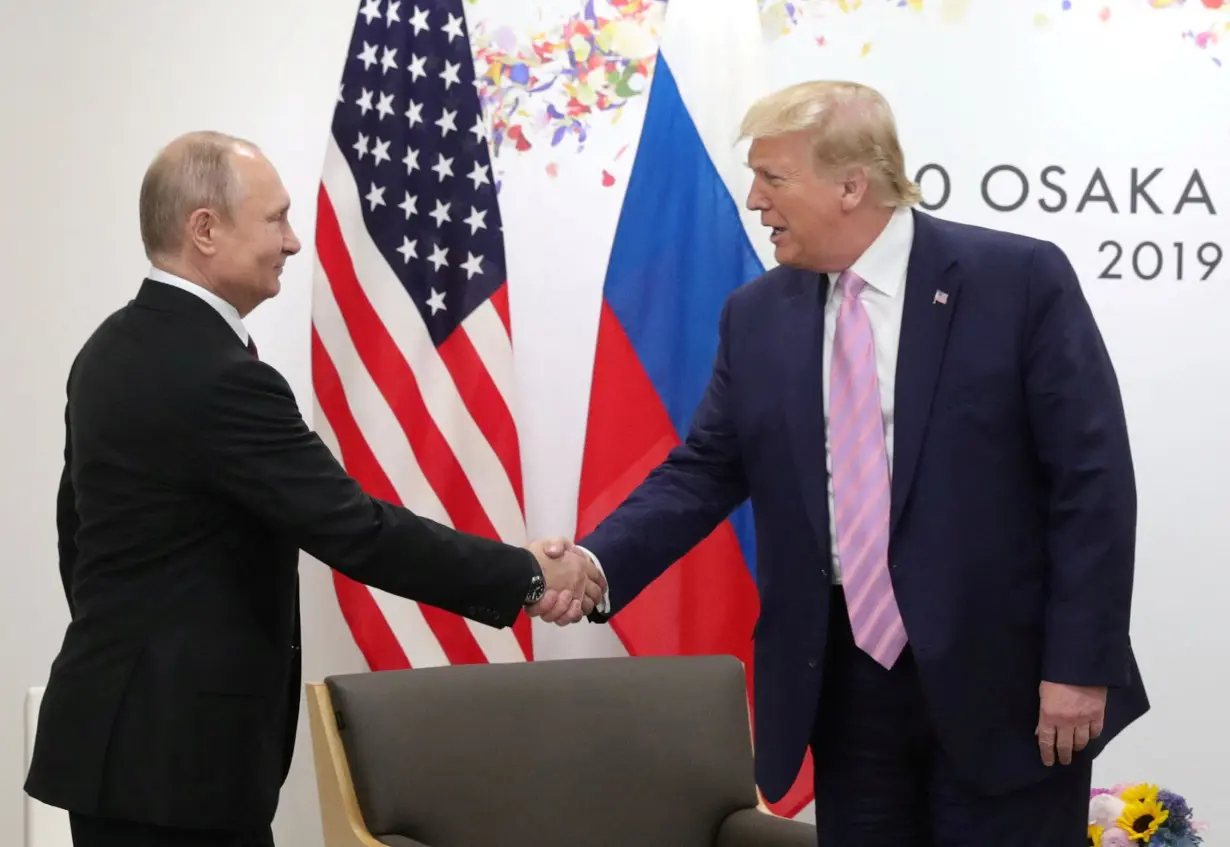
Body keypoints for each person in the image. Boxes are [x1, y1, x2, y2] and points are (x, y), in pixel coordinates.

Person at [539, 81, 1148, 845]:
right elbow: (704, 470)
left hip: (1011, 685)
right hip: (844, 681)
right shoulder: (756, 315)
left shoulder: (1016, 282)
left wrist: (1080, 663)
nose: (756, 200)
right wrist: (596, 561)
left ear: (852, 184)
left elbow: (1091, 485)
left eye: (774, 177)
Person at [25, 131, 605, 847]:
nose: (294, 242)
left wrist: (133, 643)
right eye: (275, 218)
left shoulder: (110, 348)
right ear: (205, 229)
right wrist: (525, 573)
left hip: (119, 743)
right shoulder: (219, 375)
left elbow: (76, 532)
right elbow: (355, 528)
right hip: (180, 761)